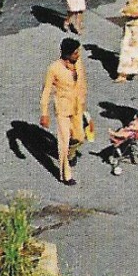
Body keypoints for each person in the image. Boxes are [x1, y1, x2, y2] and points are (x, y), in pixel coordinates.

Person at [39, 37, 88, 186]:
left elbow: (82, 82)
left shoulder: (78, 63)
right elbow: (46, 91)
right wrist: (44, 113)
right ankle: (65, 175)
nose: (78, 55)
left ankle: (70, 154)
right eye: (75, 53)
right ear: (66, 54)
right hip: (63, 109)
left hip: (77, 107)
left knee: (79, 137)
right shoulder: (54, 68)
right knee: (63, 141)